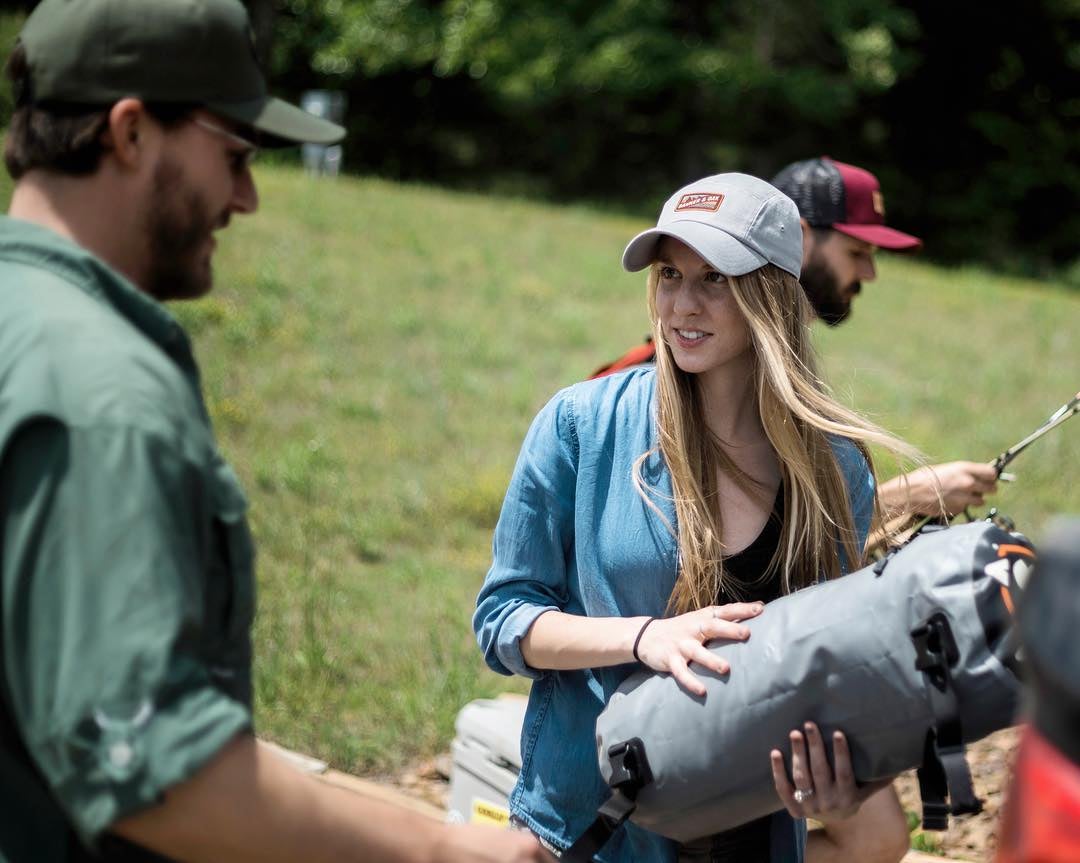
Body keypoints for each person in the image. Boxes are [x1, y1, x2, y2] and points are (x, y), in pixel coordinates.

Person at [0, 2, 548, 862]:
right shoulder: (100, 394)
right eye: (234, 157)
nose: (248, 198)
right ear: (132, 132)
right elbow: (151, 769)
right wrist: (449, 852)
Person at [474, 173, 916, 862]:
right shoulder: (580, 424)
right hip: (593, 833)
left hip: (754, 840)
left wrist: (836, 784)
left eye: (715, 279)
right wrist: (644, 636)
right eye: (669, 273)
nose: (683, 304)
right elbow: (503, 619)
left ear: (770, 292)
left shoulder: (834, 468)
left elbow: (825, 671)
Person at [596, 157, 998, 524]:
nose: (870, 272)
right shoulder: (682, 366)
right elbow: (701, 539)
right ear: (800, 240)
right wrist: (906, 499)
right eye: (857, 251)